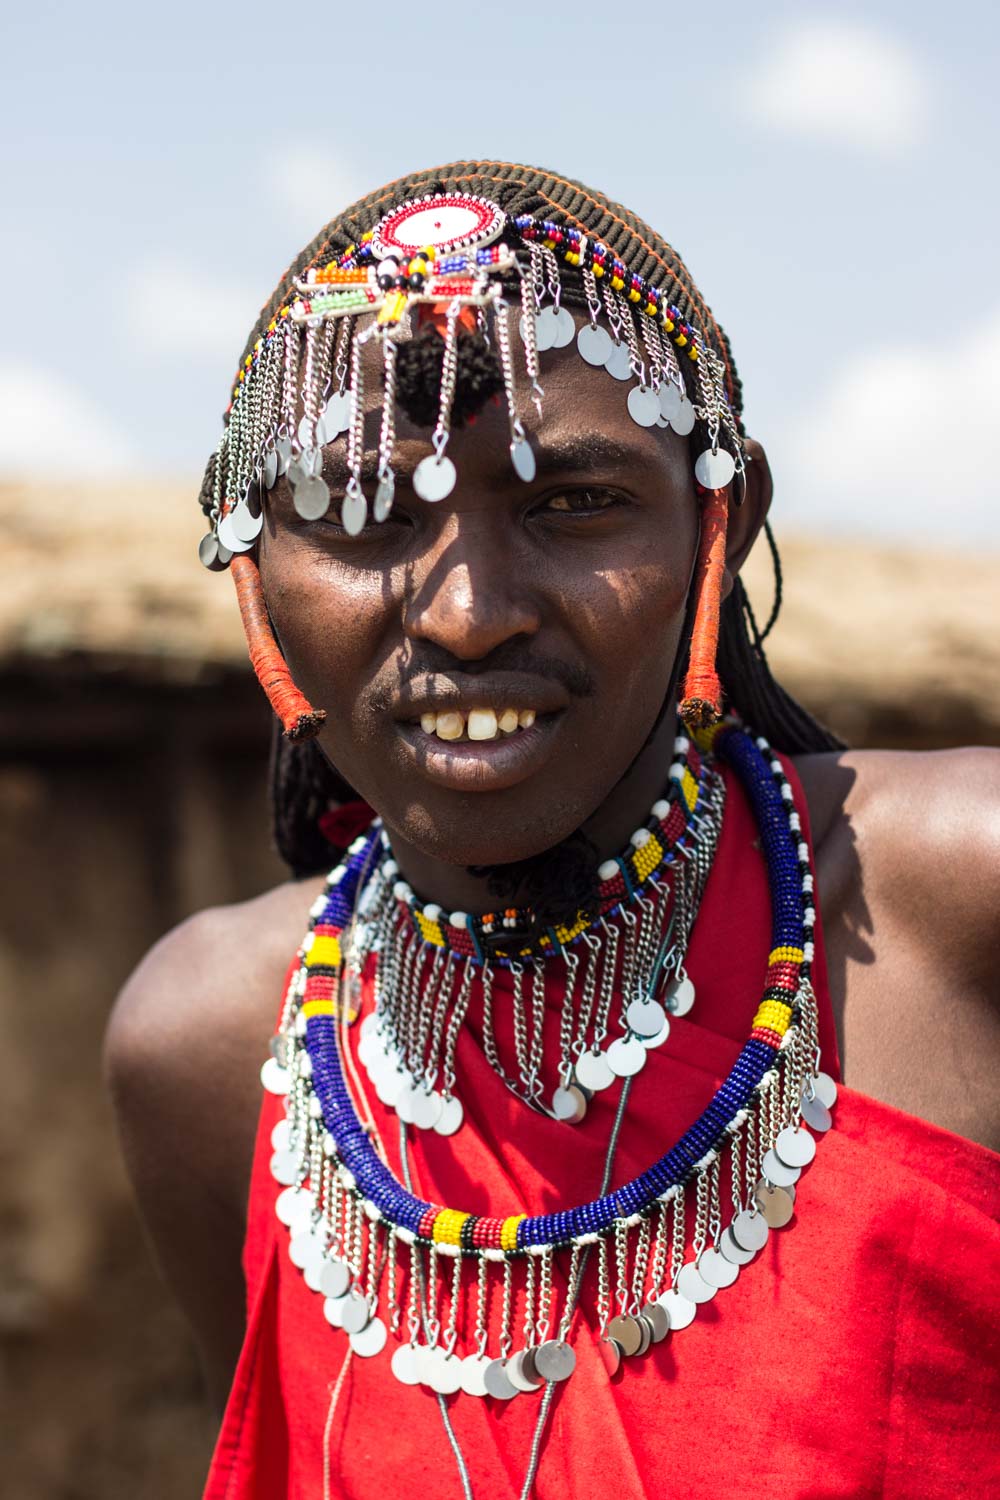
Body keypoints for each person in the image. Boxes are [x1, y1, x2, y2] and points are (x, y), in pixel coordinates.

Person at [105, 162, 999, 1500]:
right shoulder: (211, 1048)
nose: (468, 616)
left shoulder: (959, 899)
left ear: (721, 522)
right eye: (364, 514)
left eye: (572, 505)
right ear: (252, 568)